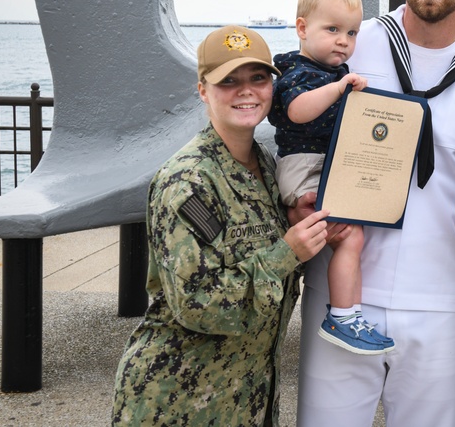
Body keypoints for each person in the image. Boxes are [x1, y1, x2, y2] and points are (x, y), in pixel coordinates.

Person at [294, 0, 455, 427]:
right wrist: (294, 195)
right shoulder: (349, 45)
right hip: (340, 291)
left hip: (435, 294)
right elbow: (284, 113)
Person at [112, 25, 332, 426]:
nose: (245, 91)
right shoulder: (188, 182)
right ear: (202, 91)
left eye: (258, 78)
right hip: (178, 403)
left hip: (246, 397)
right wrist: (288, 252)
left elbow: (268, 275)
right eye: (227, 81)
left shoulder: (265, 165)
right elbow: (199, 304)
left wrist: (301, 227)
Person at [269, 0, 395, 355]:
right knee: (350, 236)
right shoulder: (296, 71)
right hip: (303, 165)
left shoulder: (333, 71)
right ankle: (342, 316)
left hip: (324, 163)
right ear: (302, 28)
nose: (343, 41)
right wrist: (340, 88)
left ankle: (348, 314)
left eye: (352, 33)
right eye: (333, 30)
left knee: (354, 235)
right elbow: (298, 111)